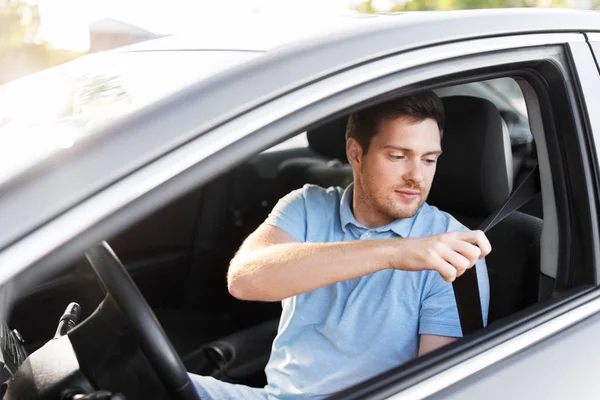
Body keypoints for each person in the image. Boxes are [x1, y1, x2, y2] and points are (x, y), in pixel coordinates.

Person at [189, 91, 491, 399]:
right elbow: (243, 279)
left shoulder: (453, 250)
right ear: (356, 154)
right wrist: (393, 251)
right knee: (145, 380)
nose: (417, 176)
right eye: (398, 156)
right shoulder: (307, 206)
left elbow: (437, 388)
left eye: (429, 160)